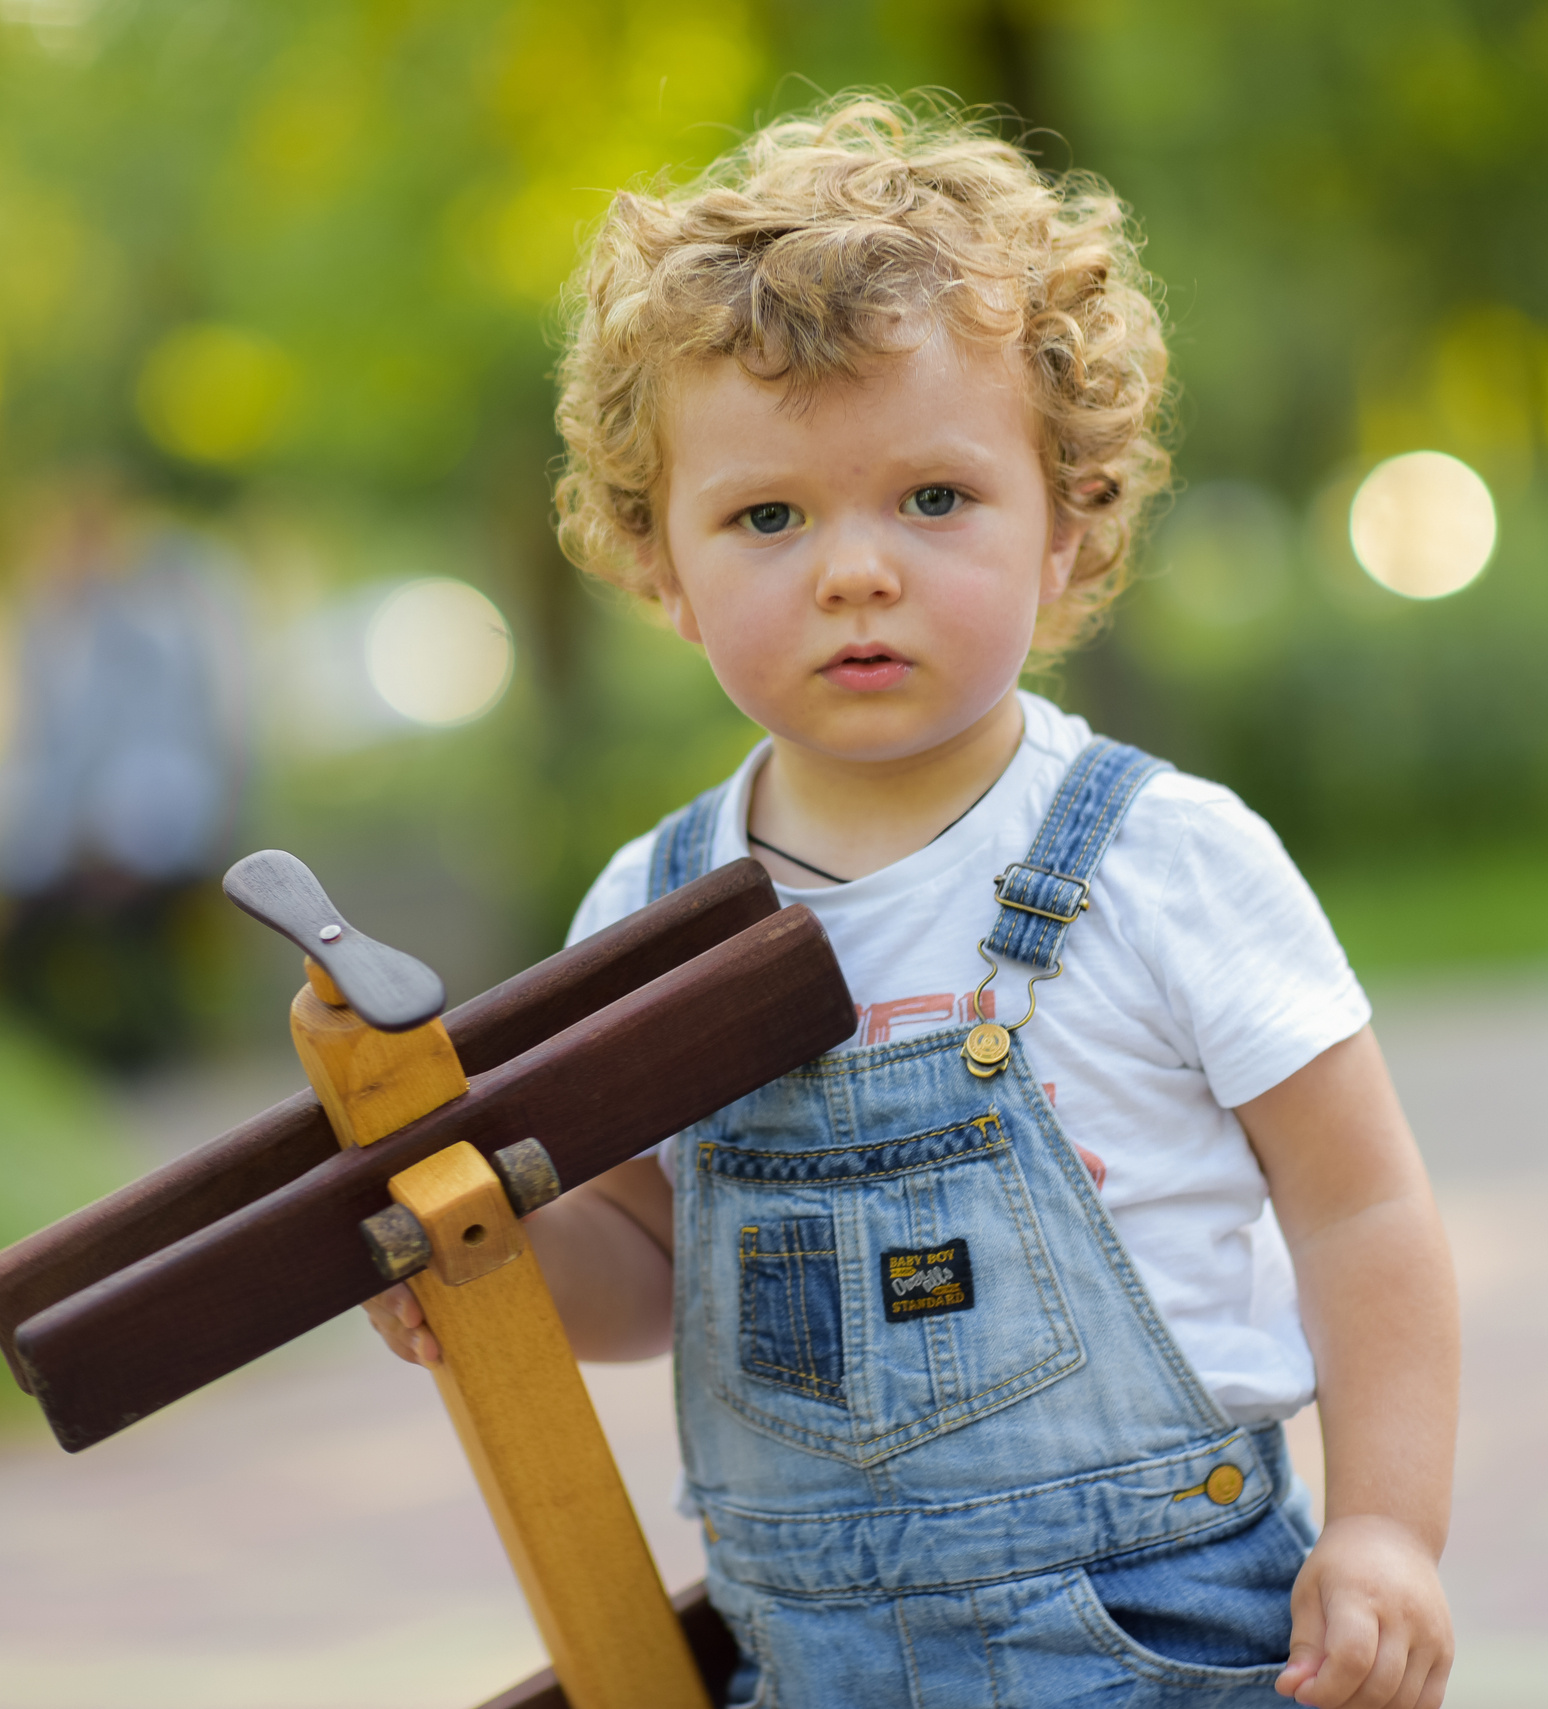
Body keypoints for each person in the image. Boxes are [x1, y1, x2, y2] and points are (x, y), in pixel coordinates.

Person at [366, 95, 1458, 1709]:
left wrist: (1386, 1528)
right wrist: (488, 1272)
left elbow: (1363, 1208)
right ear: (658, 561)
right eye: (768, 516)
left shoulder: (1165, 862)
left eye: (933, 500)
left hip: (1156, 1638)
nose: (854, 570)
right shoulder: (654, 909)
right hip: (800, 1657)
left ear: (1070, 523)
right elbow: (643, 1258)